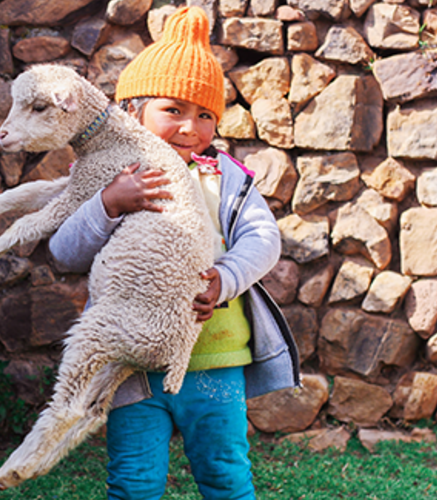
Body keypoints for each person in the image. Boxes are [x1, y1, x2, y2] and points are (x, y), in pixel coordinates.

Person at [49, 6, 300, 499]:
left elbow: (263, 240)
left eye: (205, 115)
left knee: (226, 475)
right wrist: (108, 205)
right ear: (132, 113)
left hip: (215, 360)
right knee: (133, 482)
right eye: (174, 110)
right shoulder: (109, 180)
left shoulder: (224, 178)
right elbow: (64, 252)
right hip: (130, 366)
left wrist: (223, 281)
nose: (191, 126)